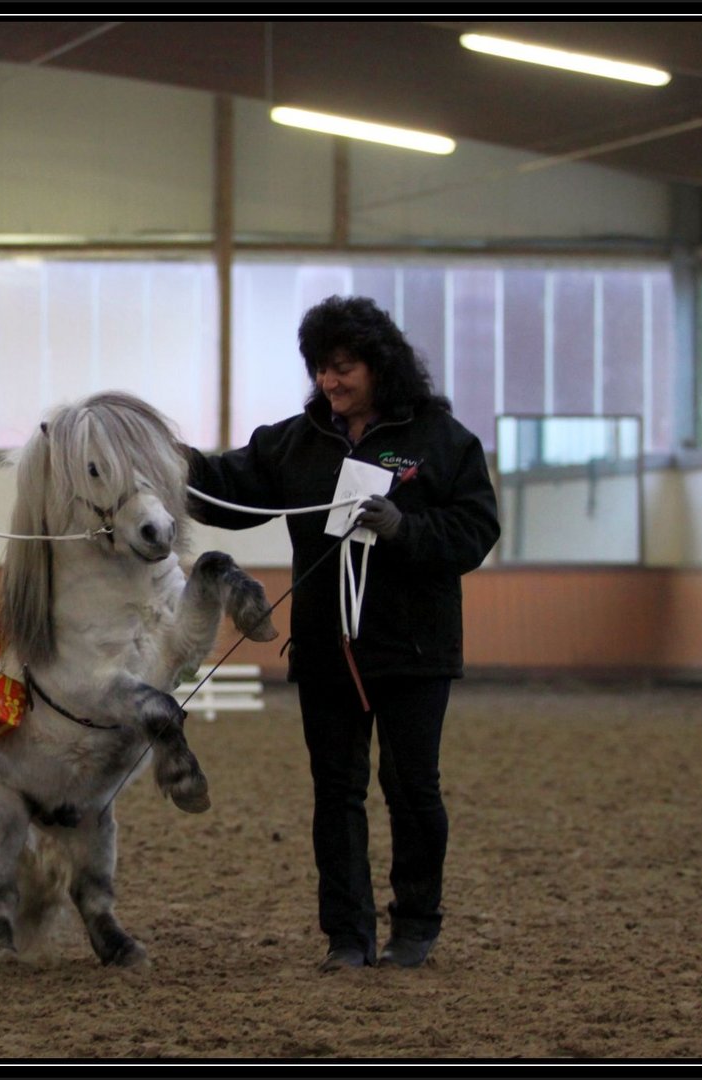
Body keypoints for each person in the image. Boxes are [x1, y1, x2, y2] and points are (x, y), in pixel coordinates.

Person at [185, 295, 499, 972]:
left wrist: (404, 528)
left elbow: (476, 531)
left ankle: (414, 926)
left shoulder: (442, 441)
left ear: (379, 365)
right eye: (320, 369)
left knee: (411, 787)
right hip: (328, 651)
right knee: (336, 792)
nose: (329, 382)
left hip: (413, 649)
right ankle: (346, 937)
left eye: (342, 368)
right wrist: (155, 454)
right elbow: (221, 490)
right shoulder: (296, 442)